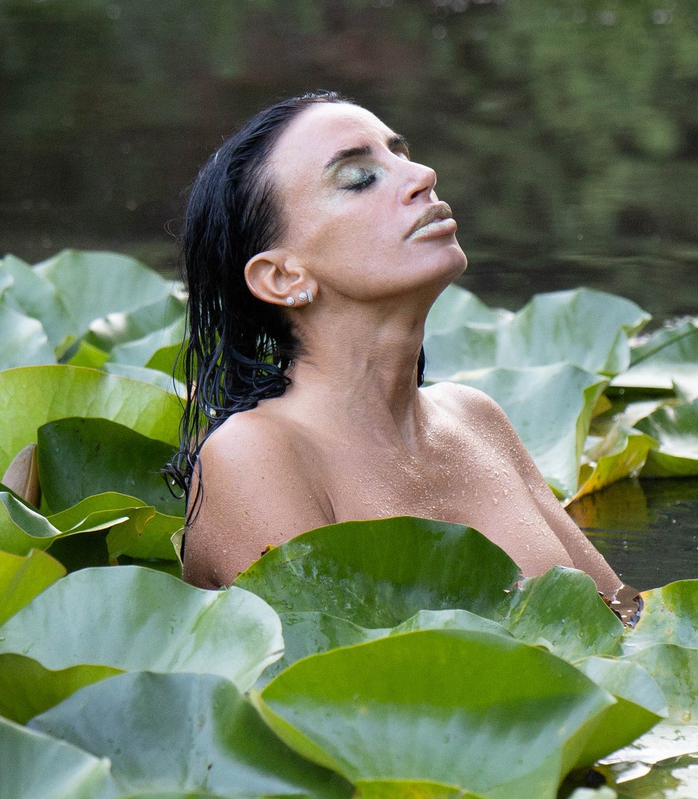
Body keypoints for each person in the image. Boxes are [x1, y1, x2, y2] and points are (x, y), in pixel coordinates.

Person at [168, 91, 639, 620]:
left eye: (402, 154)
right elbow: (338, 686)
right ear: (283, 278)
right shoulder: (254, 455)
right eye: (359, 178)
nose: (423, 175)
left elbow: (627, 623)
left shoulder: (475, 417)